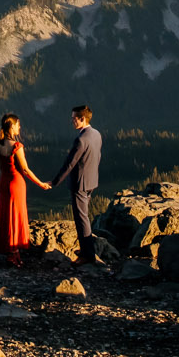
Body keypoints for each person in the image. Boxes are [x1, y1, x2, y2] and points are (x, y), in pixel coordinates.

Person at [0, 113, 50, 266]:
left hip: (4, 181)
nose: (20, 127)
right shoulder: (17, 147)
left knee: (6, 215)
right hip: (16, 183)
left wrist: (5, 177)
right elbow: (25, 170)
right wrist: (41, 183)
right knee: (17, 216)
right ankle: (13, 252)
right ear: (12, 126)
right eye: (18, 125)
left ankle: (12, 252)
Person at [51, 104, 103, 262]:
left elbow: (69, 164)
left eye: (74, 118)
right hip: (91, 181)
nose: (72, 121)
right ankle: (87, 250)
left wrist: (55, 182)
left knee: (82, 219)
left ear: (83, 119)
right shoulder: (96, 134)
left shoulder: (81, 140)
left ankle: (88, 255)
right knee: (84, 217)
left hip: (80, 184)